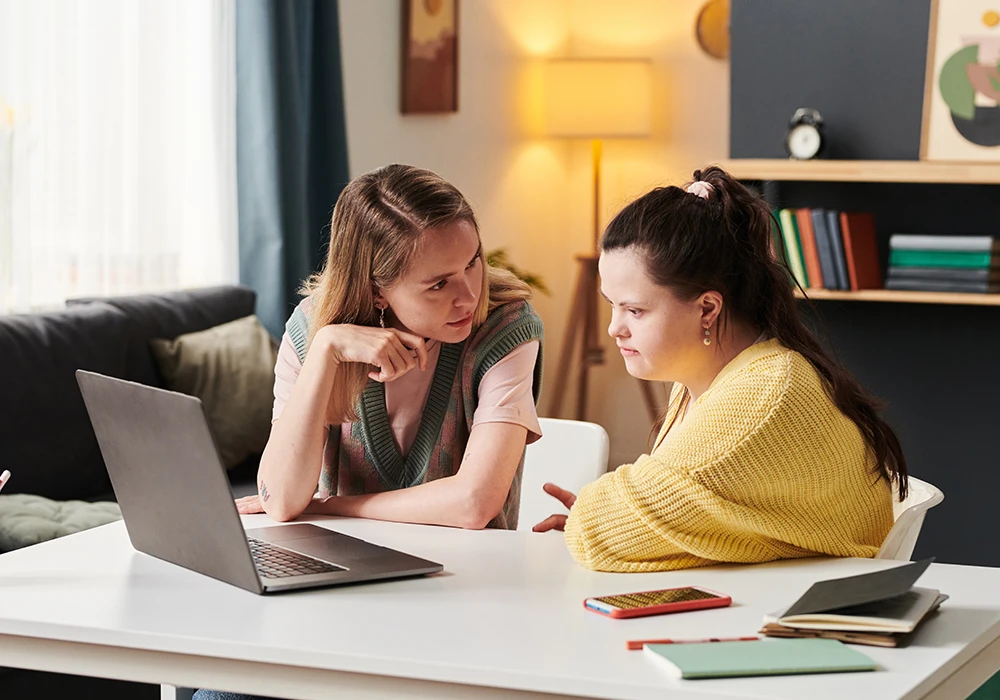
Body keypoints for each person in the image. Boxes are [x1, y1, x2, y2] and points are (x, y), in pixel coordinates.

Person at [533, 166, 907, 573]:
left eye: (635, 310)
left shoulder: (762, 395)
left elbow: (604, 531)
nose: (614, 327)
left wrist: (598, 515)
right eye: (612, 304)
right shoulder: (713, 375)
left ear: (708, 308)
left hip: (808, 612)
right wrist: (616, 519)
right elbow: (680, 521)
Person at [234, 164, 544, 531]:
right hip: (343, 570)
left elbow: (474, 503)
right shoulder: (312, 331)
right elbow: (282, 500)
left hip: (467, 575)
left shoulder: (504, 325)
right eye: (439, 284)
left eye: (473, 261)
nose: (470, 296)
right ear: (376, 291)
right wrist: (325, 350)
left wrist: (331, 506)